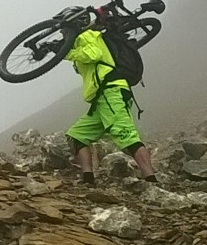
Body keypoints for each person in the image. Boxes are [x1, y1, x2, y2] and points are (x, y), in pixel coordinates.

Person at [64, 13, 157, 186]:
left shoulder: (87, 35)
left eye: (64, 30)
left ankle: (152, 181)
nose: (64, 34)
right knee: (77, 136)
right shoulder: (86, 37)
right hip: (102, 98)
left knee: (126, 134)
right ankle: (88, 179)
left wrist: (69, 53)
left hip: (111, 91)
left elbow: (93, 54)